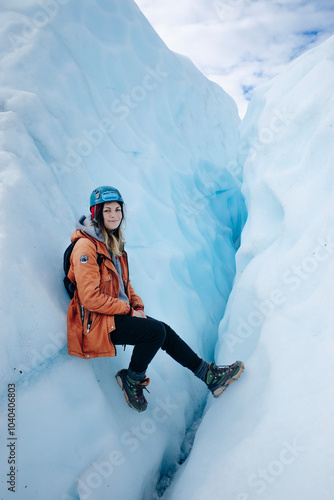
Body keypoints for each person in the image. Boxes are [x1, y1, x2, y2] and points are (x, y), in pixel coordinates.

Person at [67, 186, 244, 412]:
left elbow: (124, 284)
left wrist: (136, 305)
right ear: (96, 213)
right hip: (94, 323)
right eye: (107, 210)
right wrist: (129, 311)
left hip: (111, 315)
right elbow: (89, 298)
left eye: (118, 210)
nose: (114, 215)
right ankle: (132, 380)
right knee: (155, 332)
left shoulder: (110, 242)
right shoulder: (86, 247)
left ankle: (209, 376)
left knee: (163, 330)